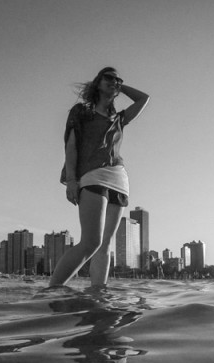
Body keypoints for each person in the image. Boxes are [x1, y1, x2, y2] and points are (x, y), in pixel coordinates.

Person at [49, 67, 149, 287]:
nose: (114, 81)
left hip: (119, 179)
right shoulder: (81, 112)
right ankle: (52, 290)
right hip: (92, 175)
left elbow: (144, 98)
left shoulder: (119, 119)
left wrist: (120, 87)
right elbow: (71, 147)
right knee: (91, 242)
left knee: (105, 245)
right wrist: (72, 181)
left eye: (118, 79)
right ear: (98, 82)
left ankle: (98, 295)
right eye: (109, 77)